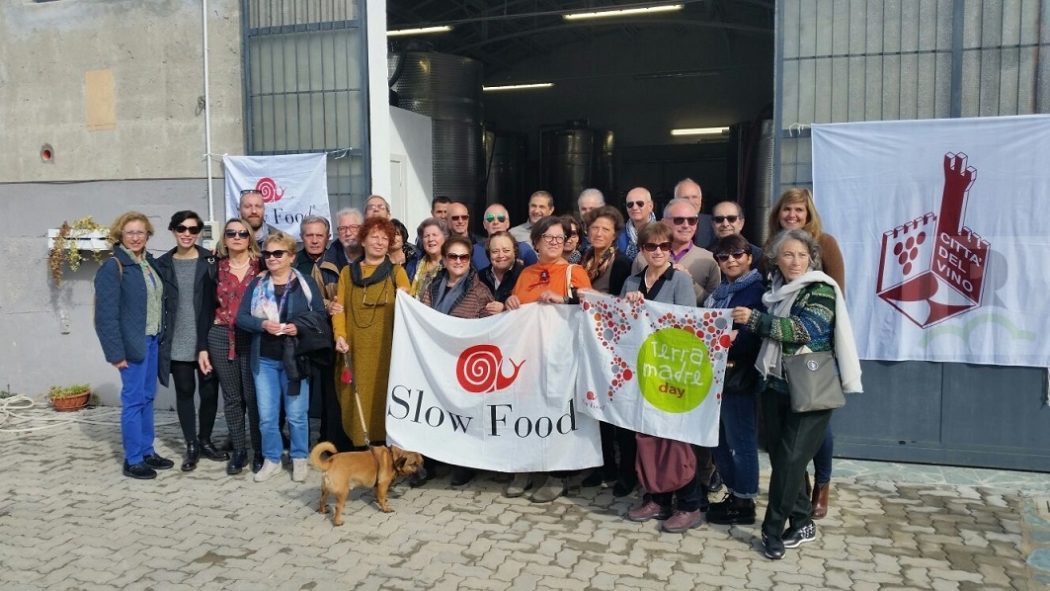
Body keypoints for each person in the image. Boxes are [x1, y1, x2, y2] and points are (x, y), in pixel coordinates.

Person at [732, 228, 861, 560]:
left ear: (811, 259)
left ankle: (771, 531)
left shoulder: (820, 290)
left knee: (789, 461)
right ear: (776, 258)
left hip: (810, 389)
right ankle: (802, 522)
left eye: (802, 255)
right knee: (783, 460)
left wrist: (757, 322)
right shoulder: (774, 289)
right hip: (773, 385)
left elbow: (806, 330)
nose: (795, 261)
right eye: (788, 254)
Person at [766, 187, 845, 520]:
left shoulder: (824, 243)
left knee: (817, 422)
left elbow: (838, 292)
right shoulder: (773, 246)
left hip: (814, 350)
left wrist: (818, 332)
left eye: (799, 210)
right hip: (778, 356)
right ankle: (798, 486)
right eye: (787, 209)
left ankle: (822, 485)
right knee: (787, 434)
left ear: (808, 213)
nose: (792, 215)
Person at [504, 216, 593, 503]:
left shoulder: (574, 272)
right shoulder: (526, 273)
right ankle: (527, 469)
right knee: (528, 412)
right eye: (548, 238)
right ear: (536, 242)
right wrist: (511, 303)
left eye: (559, 238)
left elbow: (593, 306)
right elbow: (517, 313)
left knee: (558, 413)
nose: (555, 243)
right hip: (529, 357)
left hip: (562, 356)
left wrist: (563, 300)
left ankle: (558, 475)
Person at [620, 222, 701, 532]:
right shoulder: (630, 282)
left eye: (663, 247)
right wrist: (628, 308)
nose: (657, 252)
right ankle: (657, 498)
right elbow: (621, 326)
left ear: (671, 249)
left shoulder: (679, 281)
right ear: (641, 249)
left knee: (674, 439)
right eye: (650, 247)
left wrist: (648, 308)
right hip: (641, 369)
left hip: (671, 370)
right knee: (648, 437)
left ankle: (689, 503)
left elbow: (688, 324)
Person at [237, 231, 325, 483]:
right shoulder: (257, 284)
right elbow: (241, 317)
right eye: (267, 253)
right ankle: (272, 459)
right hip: (264, 358)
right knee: (267, 415)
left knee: (297, 414)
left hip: (296, 358)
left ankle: (299, 458)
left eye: (278, 253)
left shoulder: (305, 284)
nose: (272, 258)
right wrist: (261, 325)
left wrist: (300, 327)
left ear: (291, 256)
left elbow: (319, 315)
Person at [93, 211, 174, 480]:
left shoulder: (148, 263)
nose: (136, 237)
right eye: (130, 233)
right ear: (121, 236)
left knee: (148, 398)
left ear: (148, 235)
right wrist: (115, 353)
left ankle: (147, 450)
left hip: (152, 341)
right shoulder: (113, 266)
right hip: (132, 346)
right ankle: (133, 459)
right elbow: (105, 316)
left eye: (141, 232)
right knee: (133, 400)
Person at [419, 236, 497, 486]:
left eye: (463, 257)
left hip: (465, 362)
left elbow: (489, 327)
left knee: (463, 414)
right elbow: (422, 314)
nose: (458, 261)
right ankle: (429, 462)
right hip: (436, 360)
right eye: (452, 256)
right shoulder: (432, 285)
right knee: (434, 412)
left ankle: (464, 464)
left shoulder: (479, 290)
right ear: (444, 259)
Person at [154, 211, 227, 472]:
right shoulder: (161, 264)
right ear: (173, 230)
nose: (188, 234)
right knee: (185, 392)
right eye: (182, 229)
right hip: (177, 341)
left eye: (193, 229)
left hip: (207, 339)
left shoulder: (211, 262)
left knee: (209, 392)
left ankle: (206, 440)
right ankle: (191, 445)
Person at [704, 234, 765, 527]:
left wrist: (731, 337)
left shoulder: (758, 291)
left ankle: (745, 502)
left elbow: (752, 338)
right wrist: (728, 335)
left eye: (737, 254)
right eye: (724, 256)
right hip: (716, 375)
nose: (731, 260)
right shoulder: (719, 292)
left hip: (740, 375)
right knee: (720, 441)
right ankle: (733, 494)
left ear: (749, 257)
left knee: (741, 441)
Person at [333, 218, 412, 448]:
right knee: (356, 399)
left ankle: (387, 452)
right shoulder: (347, 274)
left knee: (383, 398)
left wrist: (405, 297)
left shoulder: (397, 273)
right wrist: (339, 335)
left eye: (385, 238)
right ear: (363, 241)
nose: (379, 242)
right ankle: (360, 449)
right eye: (374, 237)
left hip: (386, 352)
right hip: (355, 349)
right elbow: (340, 310)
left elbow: (408, 306)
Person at [199, 218, 264, 475]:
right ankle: (239, 451)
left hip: (252, 336)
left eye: (242, 233)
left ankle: (259, 449)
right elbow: (204, 308)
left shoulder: (261, 266)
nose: (237, 237)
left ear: (250, 238)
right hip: (220, 334)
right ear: (224, 239)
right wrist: (202, 346)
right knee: (233, 398)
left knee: (254, 396)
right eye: (231, 233)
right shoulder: (215, 268)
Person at [578, 206, 634, 495]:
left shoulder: (622, 263)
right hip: (587, 344)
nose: (598, 233)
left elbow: (625, 305)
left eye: (605, 230)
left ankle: (626, 473)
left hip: (615, 346)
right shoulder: (581, 259)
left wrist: (599, 297)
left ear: (615, 236)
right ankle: (604, 466)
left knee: (619, 409)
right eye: (595, 228)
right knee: (594, 407)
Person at [293, 215, 351, 451]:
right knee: (300, 395)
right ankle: (300, 445)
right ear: (302, 237)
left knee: (331, 395)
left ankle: (329, 441)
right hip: (299, 338)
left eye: (319, 235)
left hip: (329, 337)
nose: (315, 240)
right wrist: (325, 304)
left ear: (328, 237)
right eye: (309, 235)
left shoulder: (340, 261)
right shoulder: (293, 263)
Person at [480, 203, 538, 268]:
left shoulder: (524, 249)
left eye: (501, 218)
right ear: (484, 224)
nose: (496, 222)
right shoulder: (474, 251)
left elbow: (536, 273)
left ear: (508, 223)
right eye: (490, 218)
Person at [709, 200, 763, 268]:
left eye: (731, 219)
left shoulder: (758, 256)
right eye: (719, 219)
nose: (725, 224)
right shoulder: (705, 256)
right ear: (713, 224)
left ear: (741, 223)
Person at [478, 231, 521, 313]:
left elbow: (529, 308)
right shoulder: (480, 277)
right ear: (489, 254)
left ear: (515, 252)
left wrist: (505, 308)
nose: (501, 255)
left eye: (506, 250)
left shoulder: (525, 275)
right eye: (495, 251)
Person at [406, 217, 447, 298]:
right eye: (426, 236)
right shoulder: (412, 265)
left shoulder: (453, 265)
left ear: (445, 238)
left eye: (435, 235)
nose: (430, 239)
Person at [616, 187, 656, 261]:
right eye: (630, 204)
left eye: (640, 203)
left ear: (650, 206)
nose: (634, 208)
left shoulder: (663, 232)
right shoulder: (618, 234)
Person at [673, 178, 715, 248]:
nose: (691, 202)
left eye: (694, 197)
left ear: (700, 200)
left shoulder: (714, 223)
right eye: (685, 198)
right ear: (675, 201)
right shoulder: (665, 226)